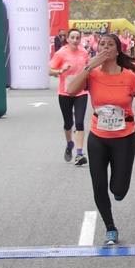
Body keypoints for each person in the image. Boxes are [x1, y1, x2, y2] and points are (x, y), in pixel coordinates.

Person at [66, 34, 135, 246]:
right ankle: (110, 227)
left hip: (123, 137)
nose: (105, 48)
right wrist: (89, 66)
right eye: (102, 44)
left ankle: (118, 191)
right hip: (98, 137)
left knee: (119, 189)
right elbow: (70, 90)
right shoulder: (92, 74)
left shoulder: (130, 77)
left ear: (117, 51)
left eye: (110, 45)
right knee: (99, 185)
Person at [49, 28, 91, 165]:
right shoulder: (61, 53)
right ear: (67, 39)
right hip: (65, 92)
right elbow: (50, 71)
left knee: (79, 122)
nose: (75, 40)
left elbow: (88, 68)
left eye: (77, 38)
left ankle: (79, 154)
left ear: (80, 39)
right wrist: (61, 70)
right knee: (68, 123)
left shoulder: (84, 52)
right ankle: (69, 144)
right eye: (72, 37)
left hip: (81, 92)